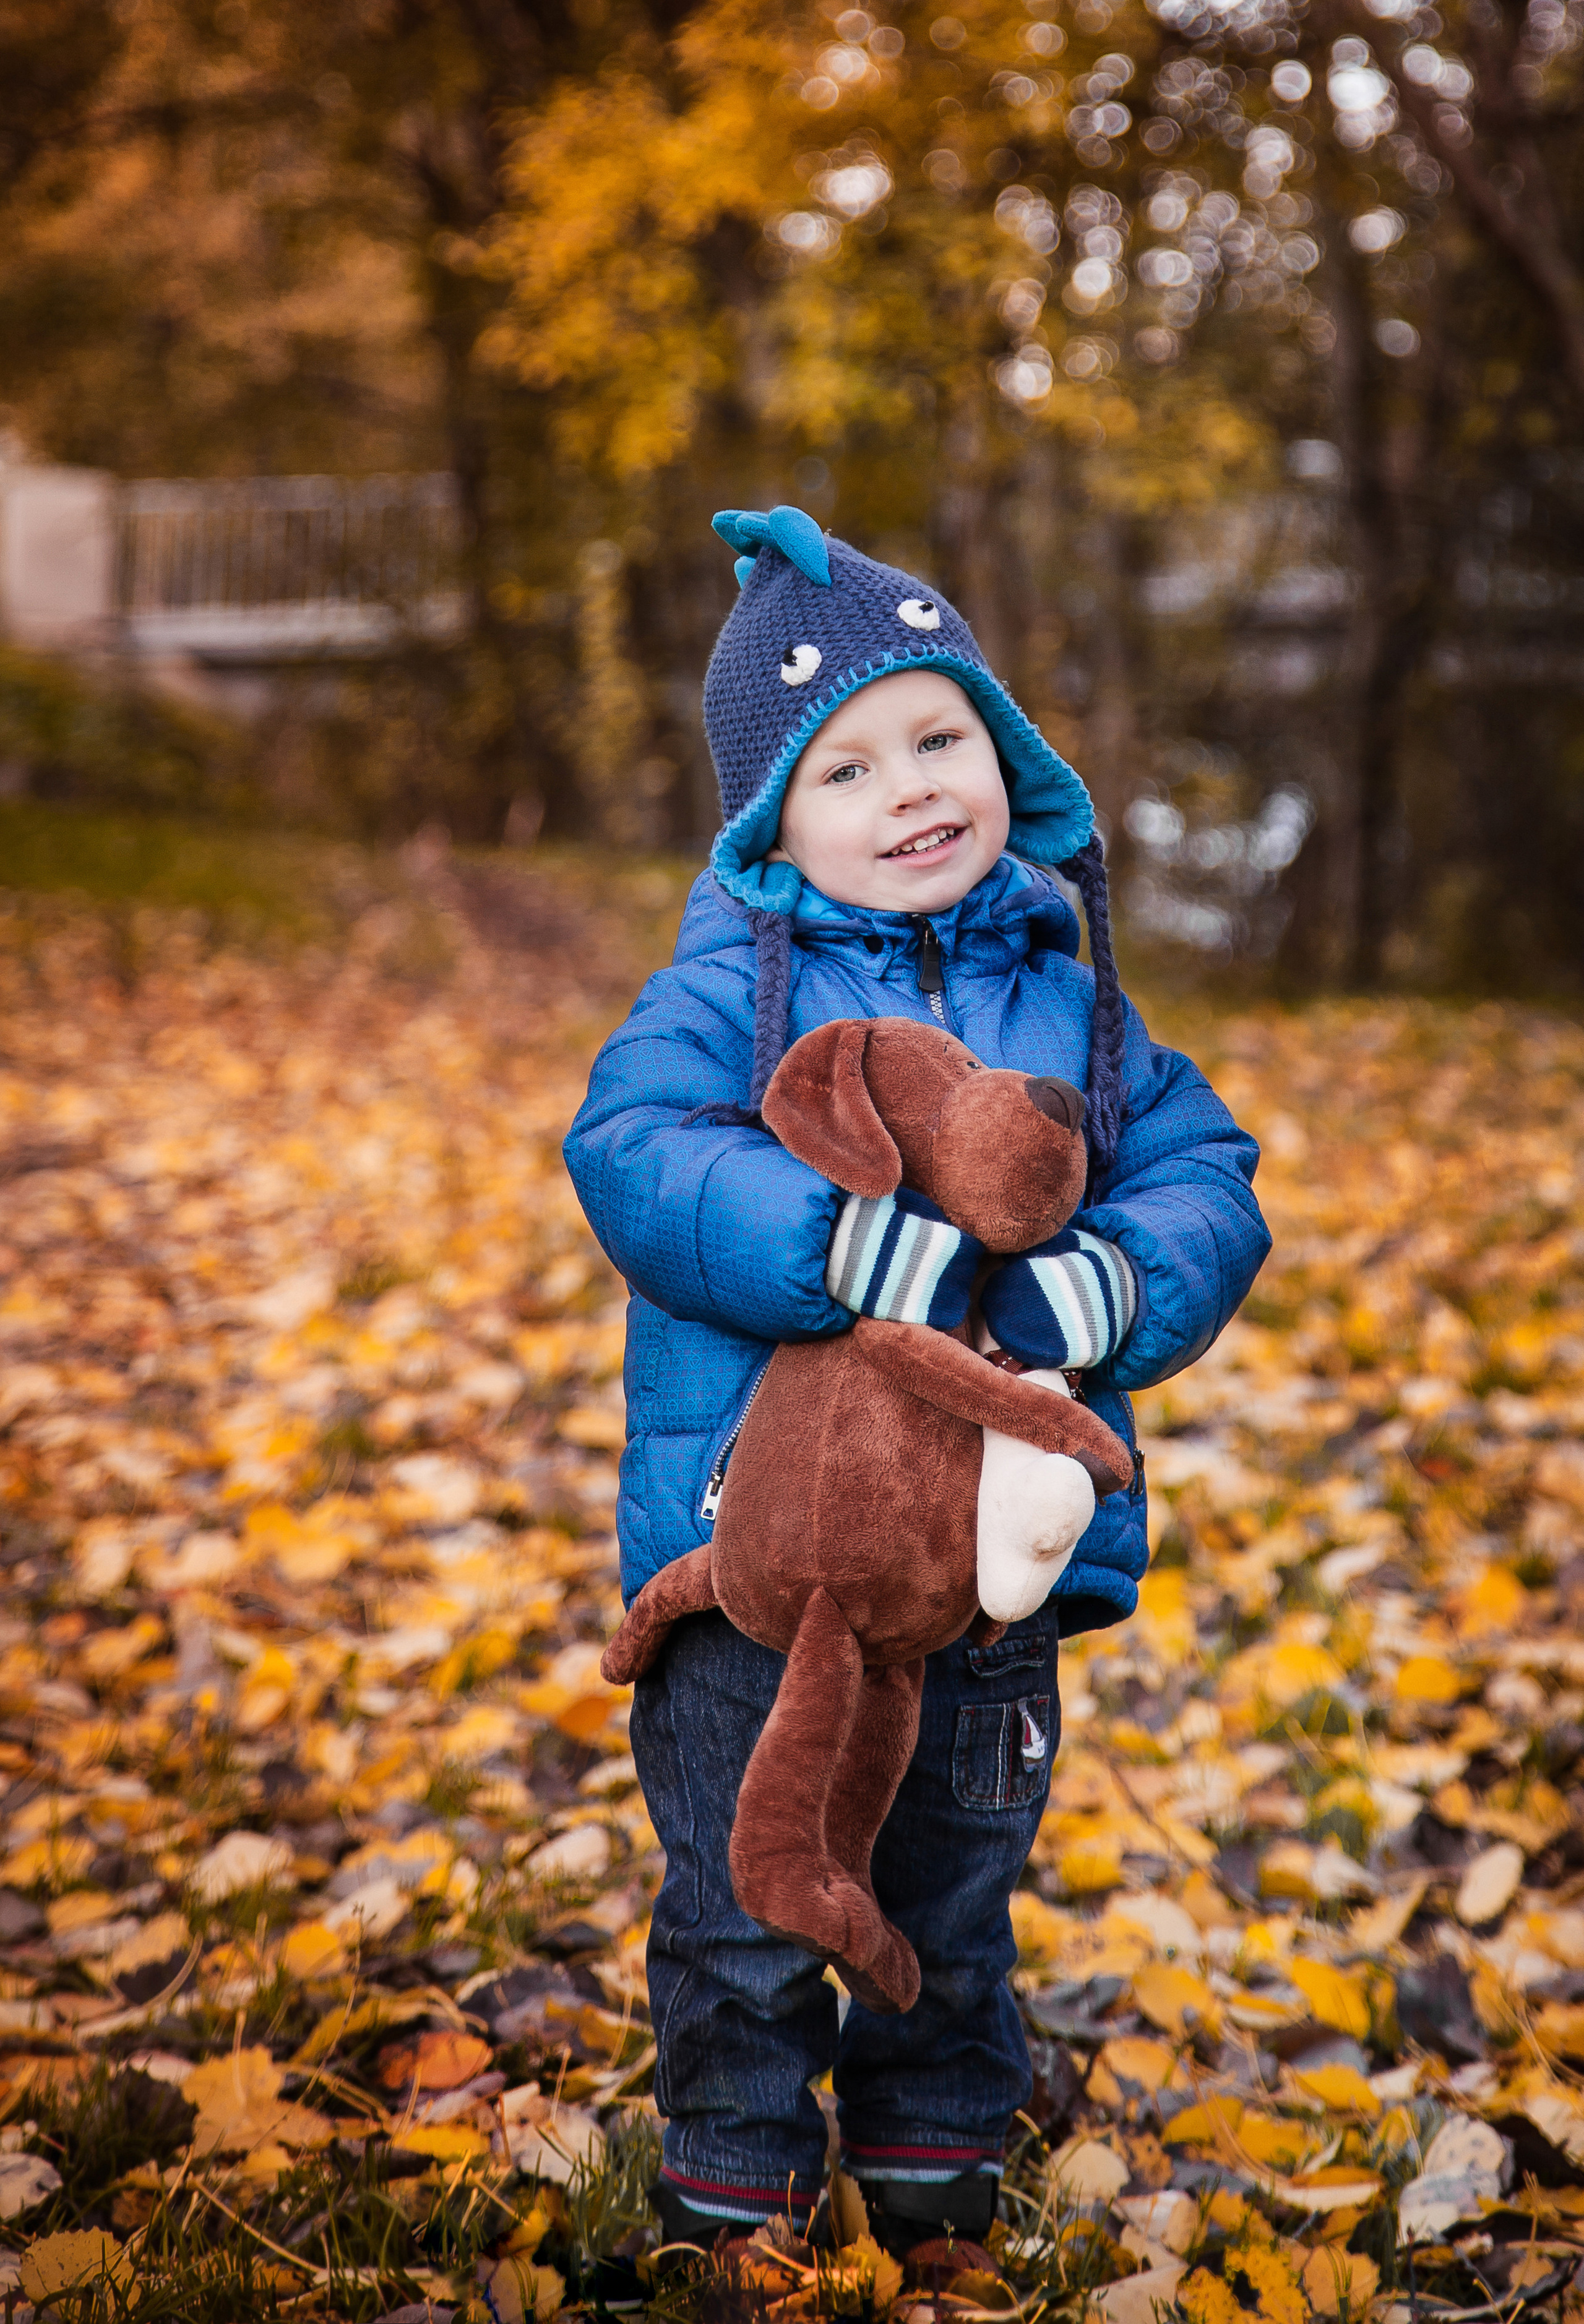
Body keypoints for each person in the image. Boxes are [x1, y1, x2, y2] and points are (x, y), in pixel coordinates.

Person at [562, 505, 1271, 2258]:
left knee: (953, 1884)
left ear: (1007, 752)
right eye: (850, 769)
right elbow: (634, 1154)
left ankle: (938, 2167)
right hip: (759, 1555)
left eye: (942, 737)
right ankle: (734, 2184)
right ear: (772, 826)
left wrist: (1117, 1282)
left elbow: (1210, 1175)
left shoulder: (1083, 1005)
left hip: (989, 1575)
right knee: (748, 1883)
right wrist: (831, 1244)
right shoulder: (725, 988)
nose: (913, 790)